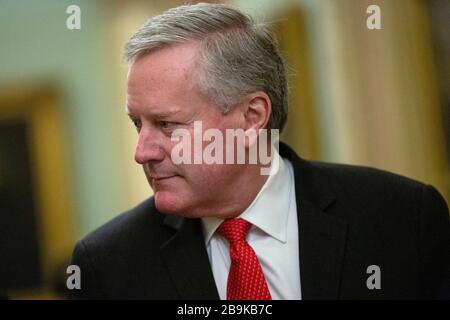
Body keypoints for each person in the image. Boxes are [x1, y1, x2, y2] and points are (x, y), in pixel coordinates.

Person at [69, 3, 449, 300]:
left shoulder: (402, 218)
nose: (142, 151)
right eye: (138, 124)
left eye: (167, 125)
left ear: (251, 117)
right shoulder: (108, 264)